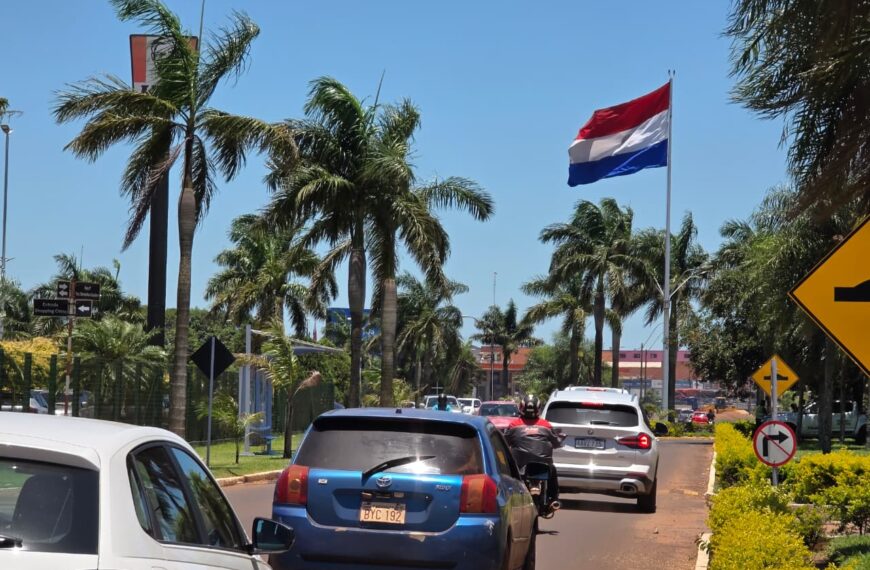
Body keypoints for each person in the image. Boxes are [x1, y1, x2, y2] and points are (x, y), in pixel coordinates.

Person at [504, 394, 563, 511]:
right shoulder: (546, 425)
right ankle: (554, 499)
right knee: (553, 470)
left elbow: (505, 443)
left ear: (522, 407)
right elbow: (556, 443)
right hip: (544, 465)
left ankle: (508, 501)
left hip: (520, 467)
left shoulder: (514, 425)